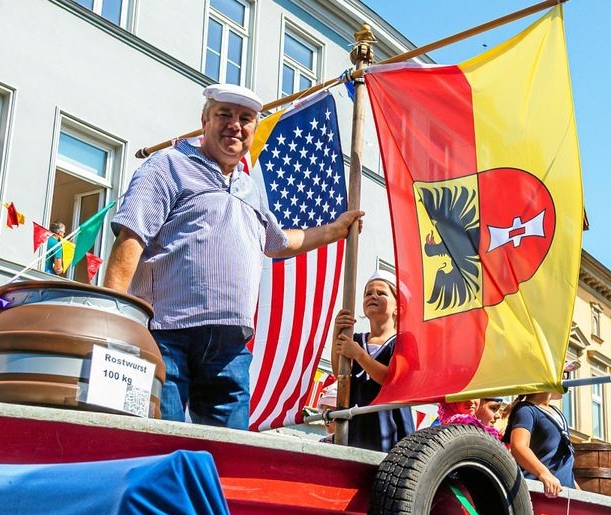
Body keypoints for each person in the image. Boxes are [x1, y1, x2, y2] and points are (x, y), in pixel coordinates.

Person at [103, 83, 363, 429]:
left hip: (230, 345)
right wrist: (113, 316)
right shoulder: (167, 166)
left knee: (229, 451)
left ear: (254, 129)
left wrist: (334, 230)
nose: (235, 125)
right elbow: (131, 236)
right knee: (157, 439)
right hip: (164, 333)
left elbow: (281, 242)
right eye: (224, 114)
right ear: (205, 120)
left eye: (245, 118)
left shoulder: (248, 187)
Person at [333, 270, 413, 452]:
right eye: (368, 293)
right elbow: (340, 374)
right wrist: (336, 332)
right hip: (357, 430)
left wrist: (360, 355)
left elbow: (391, 380)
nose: (373, 296)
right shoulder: (357, 339)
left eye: (381, 293)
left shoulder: (404, 341)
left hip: (391, 430)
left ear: (397, 308)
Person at [502, 390, 576, 498]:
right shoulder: (526, 410)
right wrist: (544, 473)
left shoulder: (557, 412)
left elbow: (563, 464)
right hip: (539, 493)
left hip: (562, 495)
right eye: (563, 375)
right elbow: (519, 446)